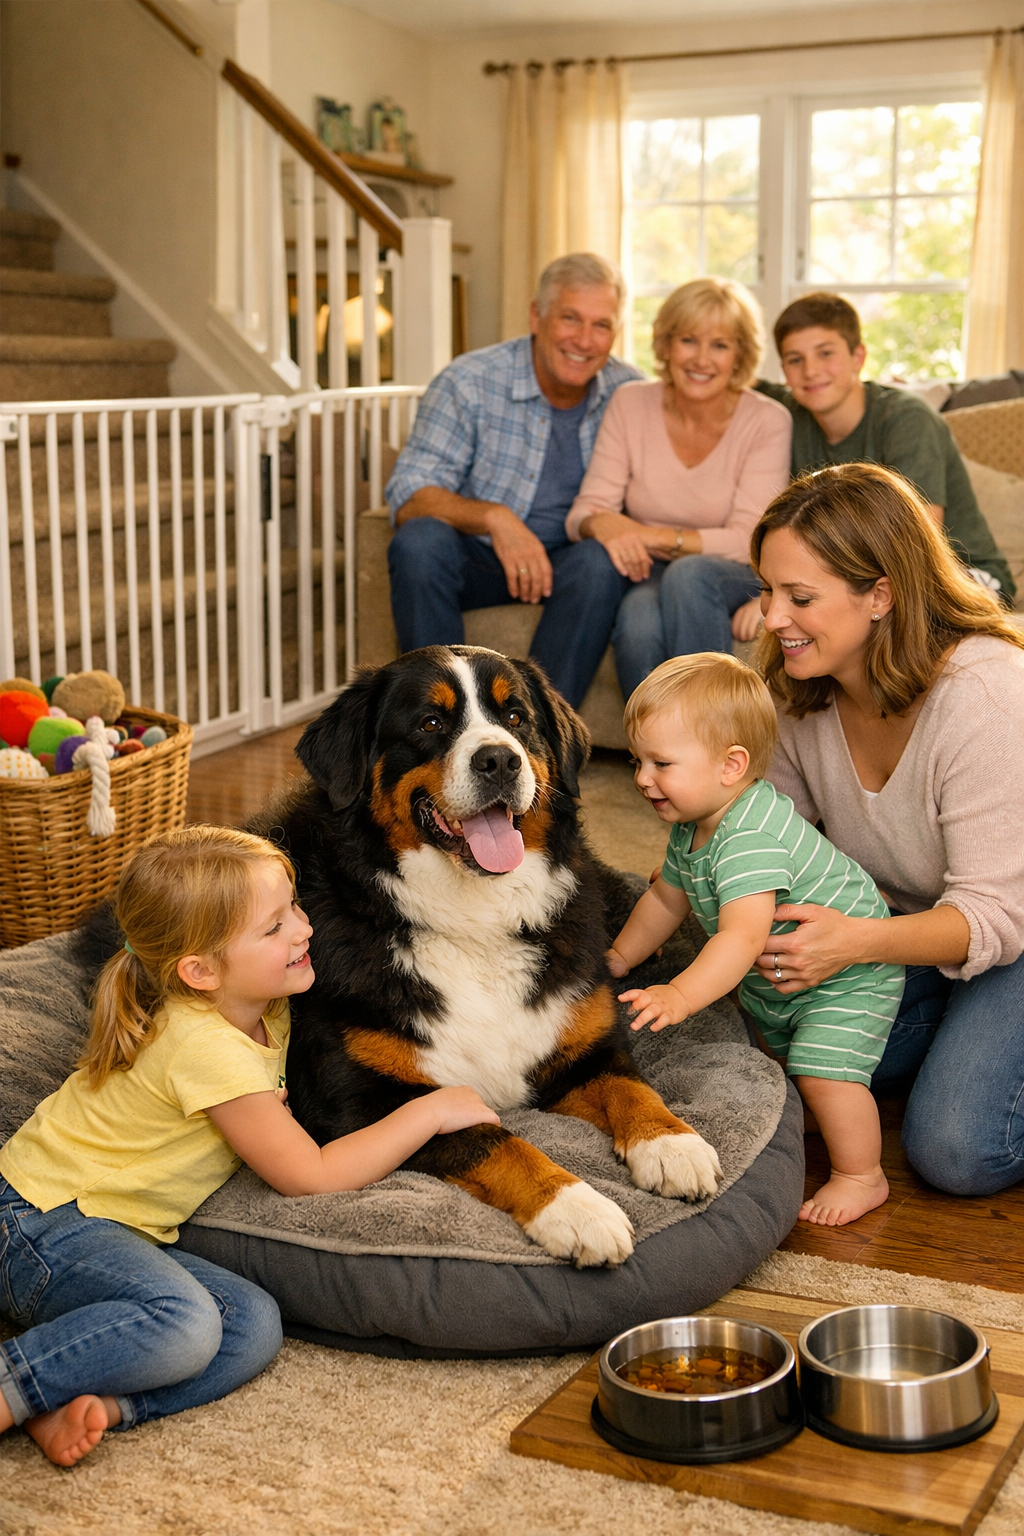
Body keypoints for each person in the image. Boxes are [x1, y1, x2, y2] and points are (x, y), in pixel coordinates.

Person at [0, 827, 497, 1467]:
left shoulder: (262, 1003)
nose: (302, 928)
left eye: (294, 907)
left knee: (252, 1325)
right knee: (186, 1323)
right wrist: (428, 1110)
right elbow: (310, 1176)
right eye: (273, 928)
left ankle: (88, 1402)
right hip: (40, 1220)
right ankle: (15, 1384)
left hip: (105, 1225)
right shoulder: (205, 1046)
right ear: (200, 971)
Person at [752, 462, 1024, 1199]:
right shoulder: (801, 694)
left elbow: (994, 915)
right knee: (766, 1075)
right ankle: (959, 1045)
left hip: (1009, 935)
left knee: (958, 1151)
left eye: (799, 597)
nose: (773, 618)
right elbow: (763, 838)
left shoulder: (988, 696)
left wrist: (852, 942)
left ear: (880, 595)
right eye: (768, 590)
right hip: (915, 930)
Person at [606, 652, 903, 1226]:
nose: (642, 778)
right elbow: (666, 899)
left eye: (661, 763)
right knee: (773, 1053)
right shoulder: (695, 824)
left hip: (848, 975)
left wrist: (680, 995)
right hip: (785, 974)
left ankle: (861, 1175)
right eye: (639, 760)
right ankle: (813, 1111)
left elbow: (741, 940)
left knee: (823, 1069)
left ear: (730, 766)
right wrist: (619, 956)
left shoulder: (749, 839)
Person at [385, 252, 643, 707]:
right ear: (535, 316)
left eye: (601, 325)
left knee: (599, 564)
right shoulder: (469, 382)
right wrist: (495, 518)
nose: (584, 340)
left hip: (571, 563)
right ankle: (442, 722)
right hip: (482, 560)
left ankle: (543, 738)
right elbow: (409, 493)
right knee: (419, 542)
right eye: (570, 318)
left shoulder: (630, 393)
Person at [732, 290, 1016, 641]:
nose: (811, 371)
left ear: (858, 356)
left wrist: (783, 601)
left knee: (887, 622)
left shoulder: (905, 419)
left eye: (825, 353)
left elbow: (914, 544)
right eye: (795, 359)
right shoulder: (786, 413)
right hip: (857, 576)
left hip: (957, 572)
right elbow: (723, 373)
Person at [565, 277, 791, 701]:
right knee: (637, 620)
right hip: (649, 573)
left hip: (730, 570)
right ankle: (655, 755)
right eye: (689, 340)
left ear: (740, 354)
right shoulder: (630, 403)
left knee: (689, 573)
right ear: (666, 344)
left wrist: (647, 535)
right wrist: (602, 523)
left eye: (720, 345)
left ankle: (714, 745)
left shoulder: (767, 420)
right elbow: (582, 514)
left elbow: (751, 539)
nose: (702, 359)